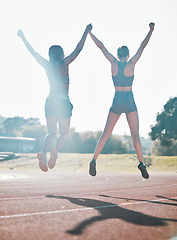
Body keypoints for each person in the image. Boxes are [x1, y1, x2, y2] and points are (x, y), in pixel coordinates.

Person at [17, 24, 92, 172]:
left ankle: (43, 155)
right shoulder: (64, 63)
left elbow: (33, 52)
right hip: (63, 101)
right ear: (62, 54)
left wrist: (23, 37)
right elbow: (78, 49)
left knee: (51, 133)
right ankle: (55, 152)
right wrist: (86, 32)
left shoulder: (47, 64)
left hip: (50, 101)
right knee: (63, 133)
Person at [88, 23, 155, 179]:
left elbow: (101, 47)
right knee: (135, 135)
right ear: (128, 55)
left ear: (118, 55)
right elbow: (142, 46)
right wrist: (150, 31)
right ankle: (141, 163)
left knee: (106, 133)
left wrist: (90, 33)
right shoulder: (131, 64)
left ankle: (93, 159)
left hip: (117, 99)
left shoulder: (113, 63)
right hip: (129, 100)